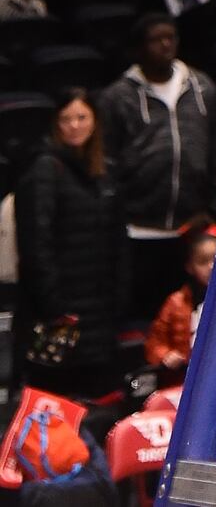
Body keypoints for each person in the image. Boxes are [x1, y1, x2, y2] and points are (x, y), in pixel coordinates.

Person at [97, 10, 216, 317]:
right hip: (138, 230)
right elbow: (106, 162)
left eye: (171, 37)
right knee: (142, 319)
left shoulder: (201, 87)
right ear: (138, 48)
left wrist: (210, 209)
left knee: (187, 321)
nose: (165, 45)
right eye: (156, 40)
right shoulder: (117, 97)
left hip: (190, 228)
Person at [14, 90, 125, 403]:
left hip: (100, 313)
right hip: (57, 317)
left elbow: (119, 241)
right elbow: (36, 245)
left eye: (82, 117)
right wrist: (54, 306)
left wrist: (119, 297)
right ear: (55, 124)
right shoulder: (43, 170)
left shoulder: (106, 172)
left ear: (95, 122)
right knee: (52, 404)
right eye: (66, 119)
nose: (74, 126)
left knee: (98, 405)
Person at [145, 222, 216, 374]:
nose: (211, 267)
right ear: (190, 267)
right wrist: (165, 355)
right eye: (203, 261)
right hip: (182, 377)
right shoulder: (176, 302)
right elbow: (154, 343)